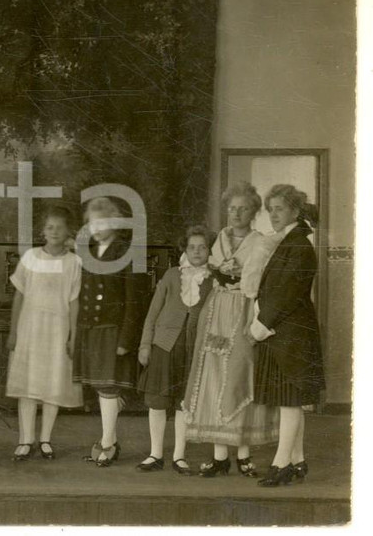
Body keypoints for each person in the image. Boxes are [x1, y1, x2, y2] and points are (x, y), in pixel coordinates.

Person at [183, 182, 279, 477]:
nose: (236, 213)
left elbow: (262, 280)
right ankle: (219, 455)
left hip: (244, 310)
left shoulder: (261, 241)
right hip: (217, 311)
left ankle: (244, 454)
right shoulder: (218, 239)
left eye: (243, 209)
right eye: (232, 208)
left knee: (239, 375)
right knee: (211, 374)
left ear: (253, 212)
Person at [250, 185, 324, 487]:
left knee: (290, 402)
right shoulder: (290, 241)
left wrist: (259, 325)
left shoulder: (298, 245)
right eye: (271, 209)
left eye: (279, 208)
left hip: (290, 334)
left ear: (295, 210)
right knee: (288, 401)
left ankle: (281, 464)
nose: (274, 214)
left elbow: (286, 293)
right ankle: (297, 461)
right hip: (284, 333)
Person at [5, 206, 84, 461]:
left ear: (68, 232)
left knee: (53, 383)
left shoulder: (74, 262)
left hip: (57, 329)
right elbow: (19, 295)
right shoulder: (30, 257)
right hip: (30, 328)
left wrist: (72, 335)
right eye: (50, 227)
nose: (54, 232)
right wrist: (14, 331)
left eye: (59, 228)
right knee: (28, 384)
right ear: (43, 231)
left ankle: (45, 439)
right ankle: (25, 439)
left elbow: (74, 301)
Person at [135, 226, 213, 474]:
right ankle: (155, 453)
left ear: (210, 250)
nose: (197, 251)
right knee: (157, 400)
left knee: (184, 402)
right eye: (192, 247)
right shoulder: (171, 275)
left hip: (194, 349)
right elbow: (152, 313)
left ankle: (179, 455)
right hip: (164, 345)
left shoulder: (213, 280)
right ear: (184, 249)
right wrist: (145, 344)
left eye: (202, 247)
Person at [72, 196, 141, 467]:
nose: (97, 227)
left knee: (108, 389)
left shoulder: (126, 251)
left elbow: (134, 299)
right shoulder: (86, 251)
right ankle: (108, 439)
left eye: (103, 221)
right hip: (91, 327)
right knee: (103, 389)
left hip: (113, 329)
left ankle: (108, 444)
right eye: (92, 222)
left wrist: (126, 338)